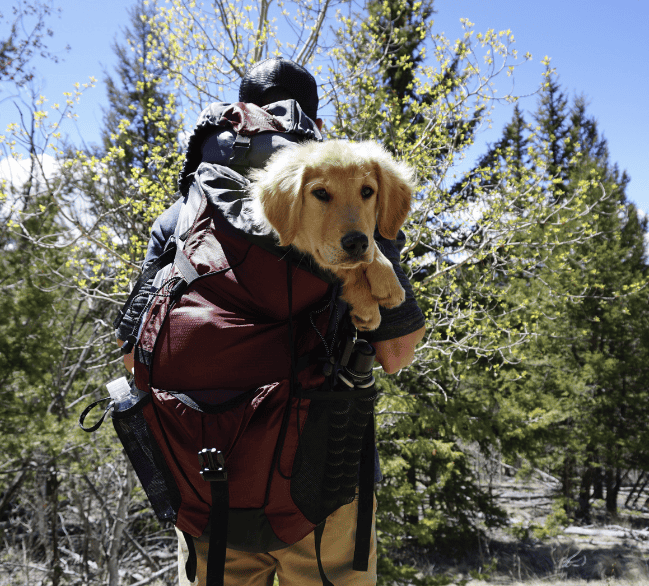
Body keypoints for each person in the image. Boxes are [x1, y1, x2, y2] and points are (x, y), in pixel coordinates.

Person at [118, 58, 425, 586]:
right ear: (315, 124)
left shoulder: (182, 218)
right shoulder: (350, 198)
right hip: (326, 484)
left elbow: (133, 353)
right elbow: (396, 356)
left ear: (241, 115)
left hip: (209, 483)